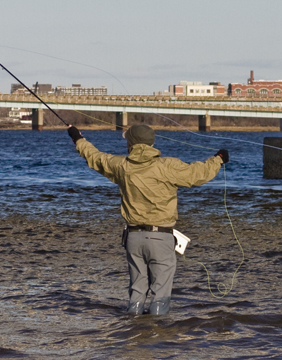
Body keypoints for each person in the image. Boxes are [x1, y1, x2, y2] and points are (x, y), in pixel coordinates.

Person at [67, 123, 228, 316]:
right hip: (161, 238)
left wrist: (77, 138)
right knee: (161, 294)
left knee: (137, 291)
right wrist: (218, 159)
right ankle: (157, 338)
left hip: (133, 239)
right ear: (151, 143)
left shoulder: (122, 166)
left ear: (132, 144)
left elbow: (95, 157)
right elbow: (198, 173)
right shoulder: (167, 166)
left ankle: (133, 334)